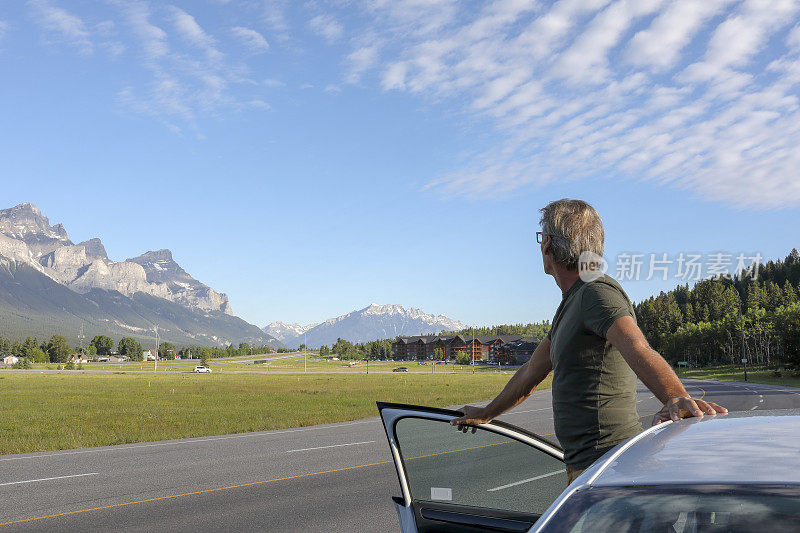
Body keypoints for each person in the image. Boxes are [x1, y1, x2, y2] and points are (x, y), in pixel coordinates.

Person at [451, 199, 727, 484]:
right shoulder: (573, 302)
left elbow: (636, 345)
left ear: (546, 245)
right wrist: (486, 413)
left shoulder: (596, 291)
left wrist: (674, 395)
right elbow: (531, 371)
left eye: (540, 239)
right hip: (588, 465)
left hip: (608, 466)